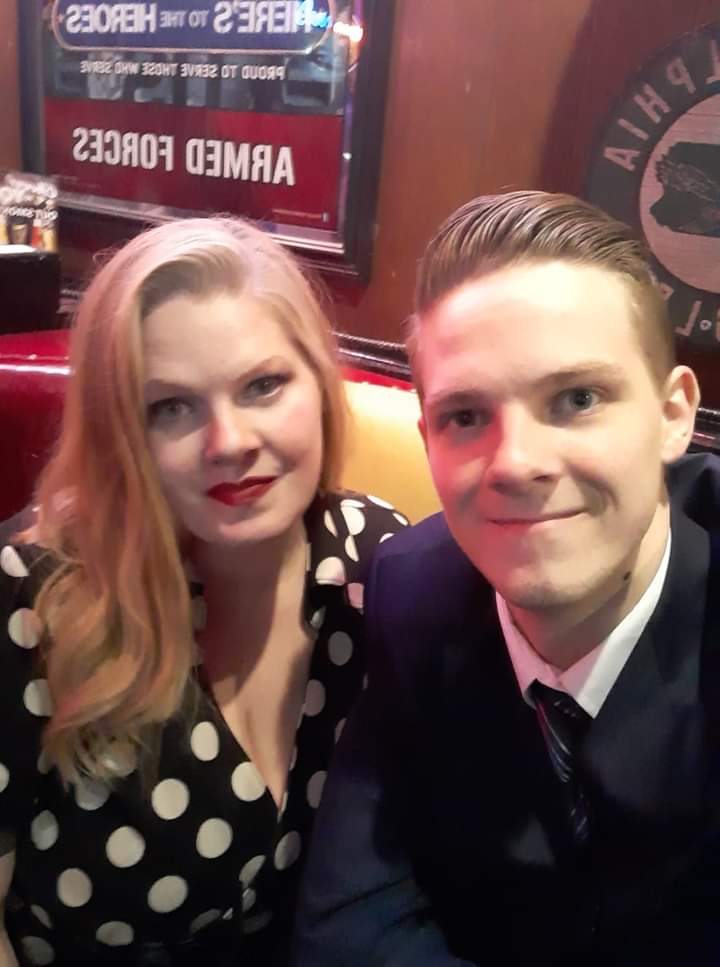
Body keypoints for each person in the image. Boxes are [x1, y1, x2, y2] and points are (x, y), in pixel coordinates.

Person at [293, 191, 720, 966]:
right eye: (465, 416)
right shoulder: (409, 592)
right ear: (427, 439)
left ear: (673, 415)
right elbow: (348, 928)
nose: (516, 463)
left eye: (577, 399)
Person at [0, 216, 407, 966]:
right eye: (171, 407)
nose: (229, 442)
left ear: (321, 386)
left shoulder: (379, 562)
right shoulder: (30, 596)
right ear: (123, 432)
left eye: (263, 385)